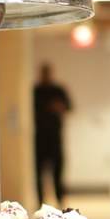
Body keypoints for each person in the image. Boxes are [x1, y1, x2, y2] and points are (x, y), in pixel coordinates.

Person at [33, 62, 72, 206]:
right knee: (38, 175)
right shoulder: (35, 91)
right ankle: (40, 203)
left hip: (55, 138)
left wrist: (58, 107)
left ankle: (60, 202)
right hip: (39, 139)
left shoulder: (58, 90)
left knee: (58, 173)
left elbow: (68, 107)